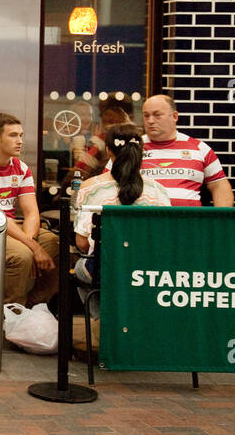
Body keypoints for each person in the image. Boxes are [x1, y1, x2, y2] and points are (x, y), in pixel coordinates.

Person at [0, 113, 59, 306]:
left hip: (11, 225)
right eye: (13, 135)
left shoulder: (21, 167)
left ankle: (34, 305)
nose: (20, 141)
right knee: (22, 255)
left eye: (21, 135)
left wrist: (31, 243)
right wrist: (33, 248)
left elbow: (31, 212)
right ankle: (10, 312)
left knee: (56, 244)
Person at [72, 124, 170, 316]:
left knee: (80, 269)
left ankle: (103, 321)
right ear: (141, 151)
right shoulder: (158, 191)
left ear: (108, 150)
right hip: (147, 272)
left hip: (104, 271)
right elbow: (165, 239)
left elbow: (82, 243)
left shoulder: (90, 188)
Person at [138, 94, 234, 207]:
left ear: (174, 116)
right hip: (143, 222)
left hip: (188, 222)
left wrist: (221, 221)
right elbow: (111, 183)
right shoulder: (131, 148)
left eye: (157, 115)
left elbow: (219, 186)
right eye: (146, 116)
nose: (150, 121)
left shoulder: (200, 148)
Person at [72, 96, 133, 178]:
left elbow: (81, 170)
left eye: (107, 113)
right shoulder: (137, 138)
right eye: (103, 114)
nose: (105, 117)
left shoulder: (100, 140)